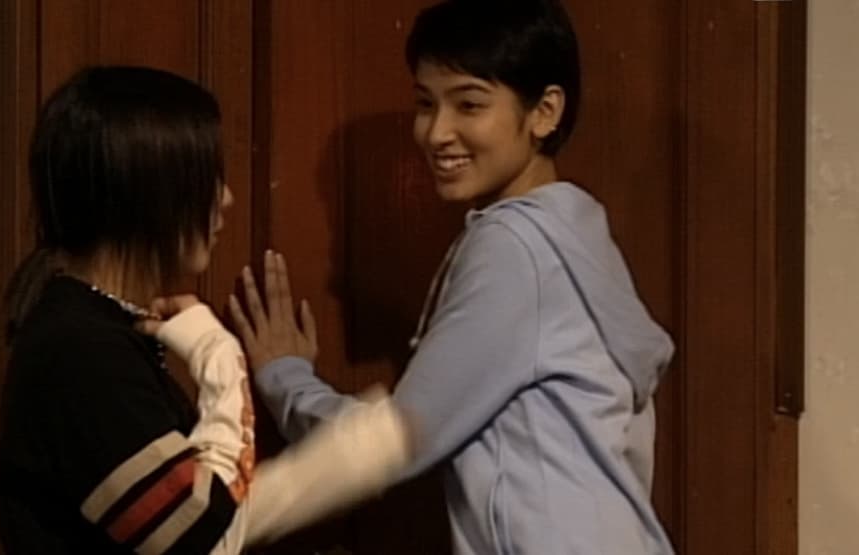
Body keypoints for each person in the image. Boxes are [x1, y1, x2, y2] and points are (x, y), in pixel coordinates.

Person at [230, 1, 676, 553]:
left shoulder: (516, 246)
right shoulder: (576, 236)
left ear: (545, 112)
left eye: (469, 104)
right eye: (425, 103)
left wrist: (282, 382)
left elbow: (397, 437)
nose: (437, 132)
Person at [0, 65, 410, 555]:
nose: (226, 199)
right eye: (206, 179)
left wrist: (354, 455)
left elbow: (189, 517)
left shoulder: (92, 329)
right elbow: (203, 537)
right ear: (149, 195)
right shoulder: (80, 352)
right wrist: (219, 356)